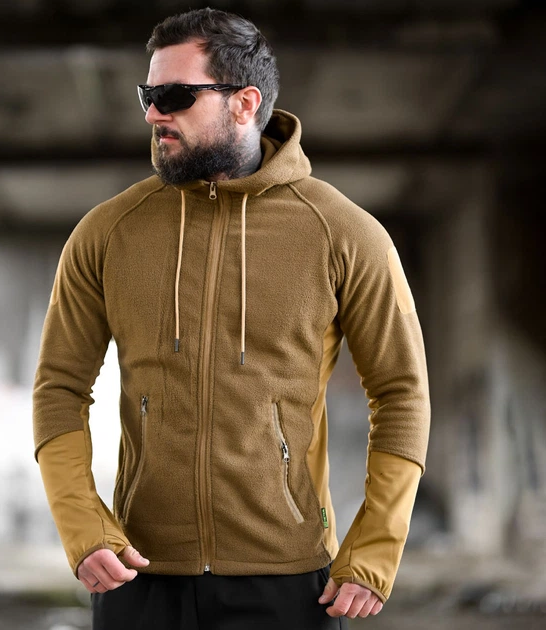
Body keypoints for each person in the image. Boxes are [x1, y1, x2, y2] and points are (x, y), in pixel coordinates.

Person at [33, 8, 430, 630]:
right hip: (137, 576)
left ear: (245, 103)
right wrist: (83, 527)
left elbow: (401, 391)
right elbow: (58, 387)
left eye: (174, 96)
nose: (153, 114)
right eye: (147, 96)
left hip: (290, 581)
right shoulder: (107, 232)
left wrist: (375, 549)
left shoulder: (344, 234)